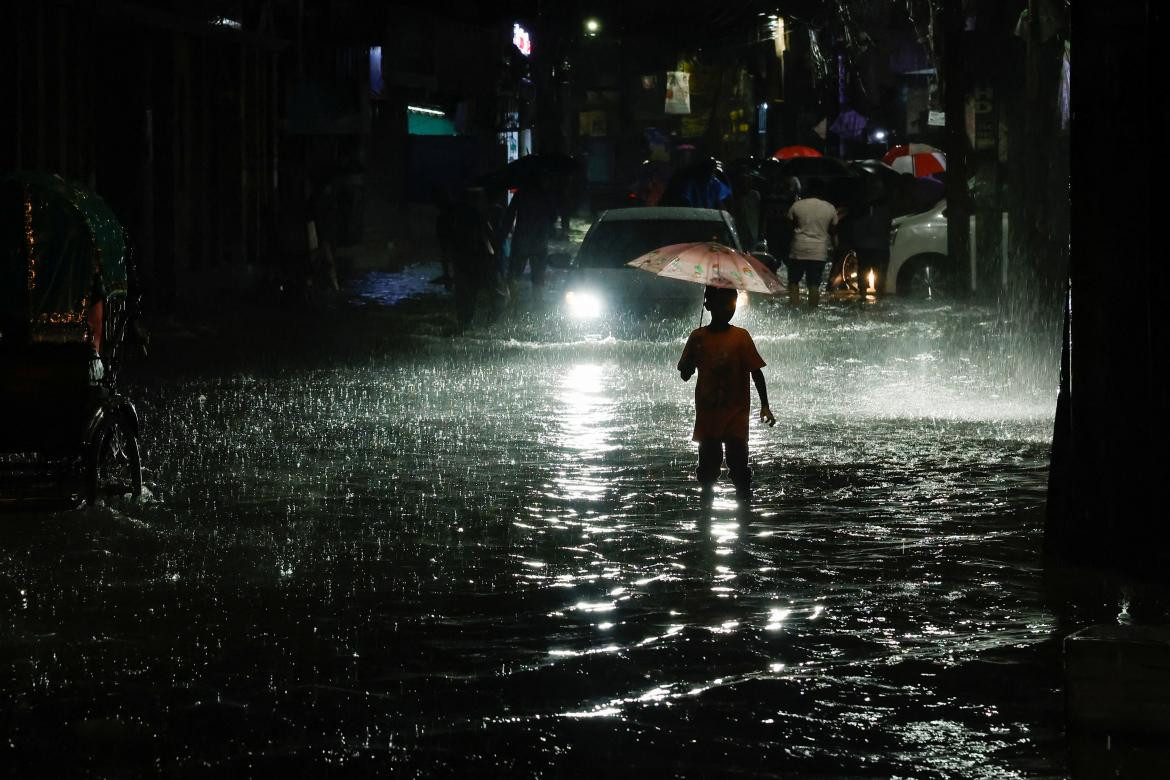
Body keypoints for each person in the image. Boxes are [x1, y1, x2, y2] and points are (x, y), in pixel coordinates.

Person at [677, 286, 776, 503]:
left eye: (731, 305)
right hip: (708, 416)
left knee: (739, 466)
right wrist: (689, 367)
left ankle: (742, 505)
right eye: (722, 304)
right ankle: (708, 507)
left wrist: (765, 405)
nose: (727, 310)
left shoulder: (741, 337)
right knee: (707, 470)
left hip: (735, 416)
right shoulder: (698, 337)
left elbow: (756, 373)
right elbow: (685, 373)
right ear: (708, 305)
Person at [500, 174, 557, 301]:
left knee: (514, 274)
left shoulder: (521, 194)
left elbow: (509, 216)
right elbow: (554, 217)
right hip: (539, 241)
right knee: (538, 276)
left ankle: (513, 303)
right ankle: (537, 303)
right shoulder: (545, 195)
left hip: (522, 240)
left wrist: (502, 236)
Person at [785, 179, 838, 308]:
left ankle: (794, 309)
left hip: (798, 249)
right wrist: (837, 249)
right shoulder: (830, 208)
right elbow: (834, 232)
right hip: (818, 252)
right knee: (814, 284)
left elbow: (788, 229)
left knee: (793, 282)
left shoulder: (797, 206)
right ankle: (812, 312)